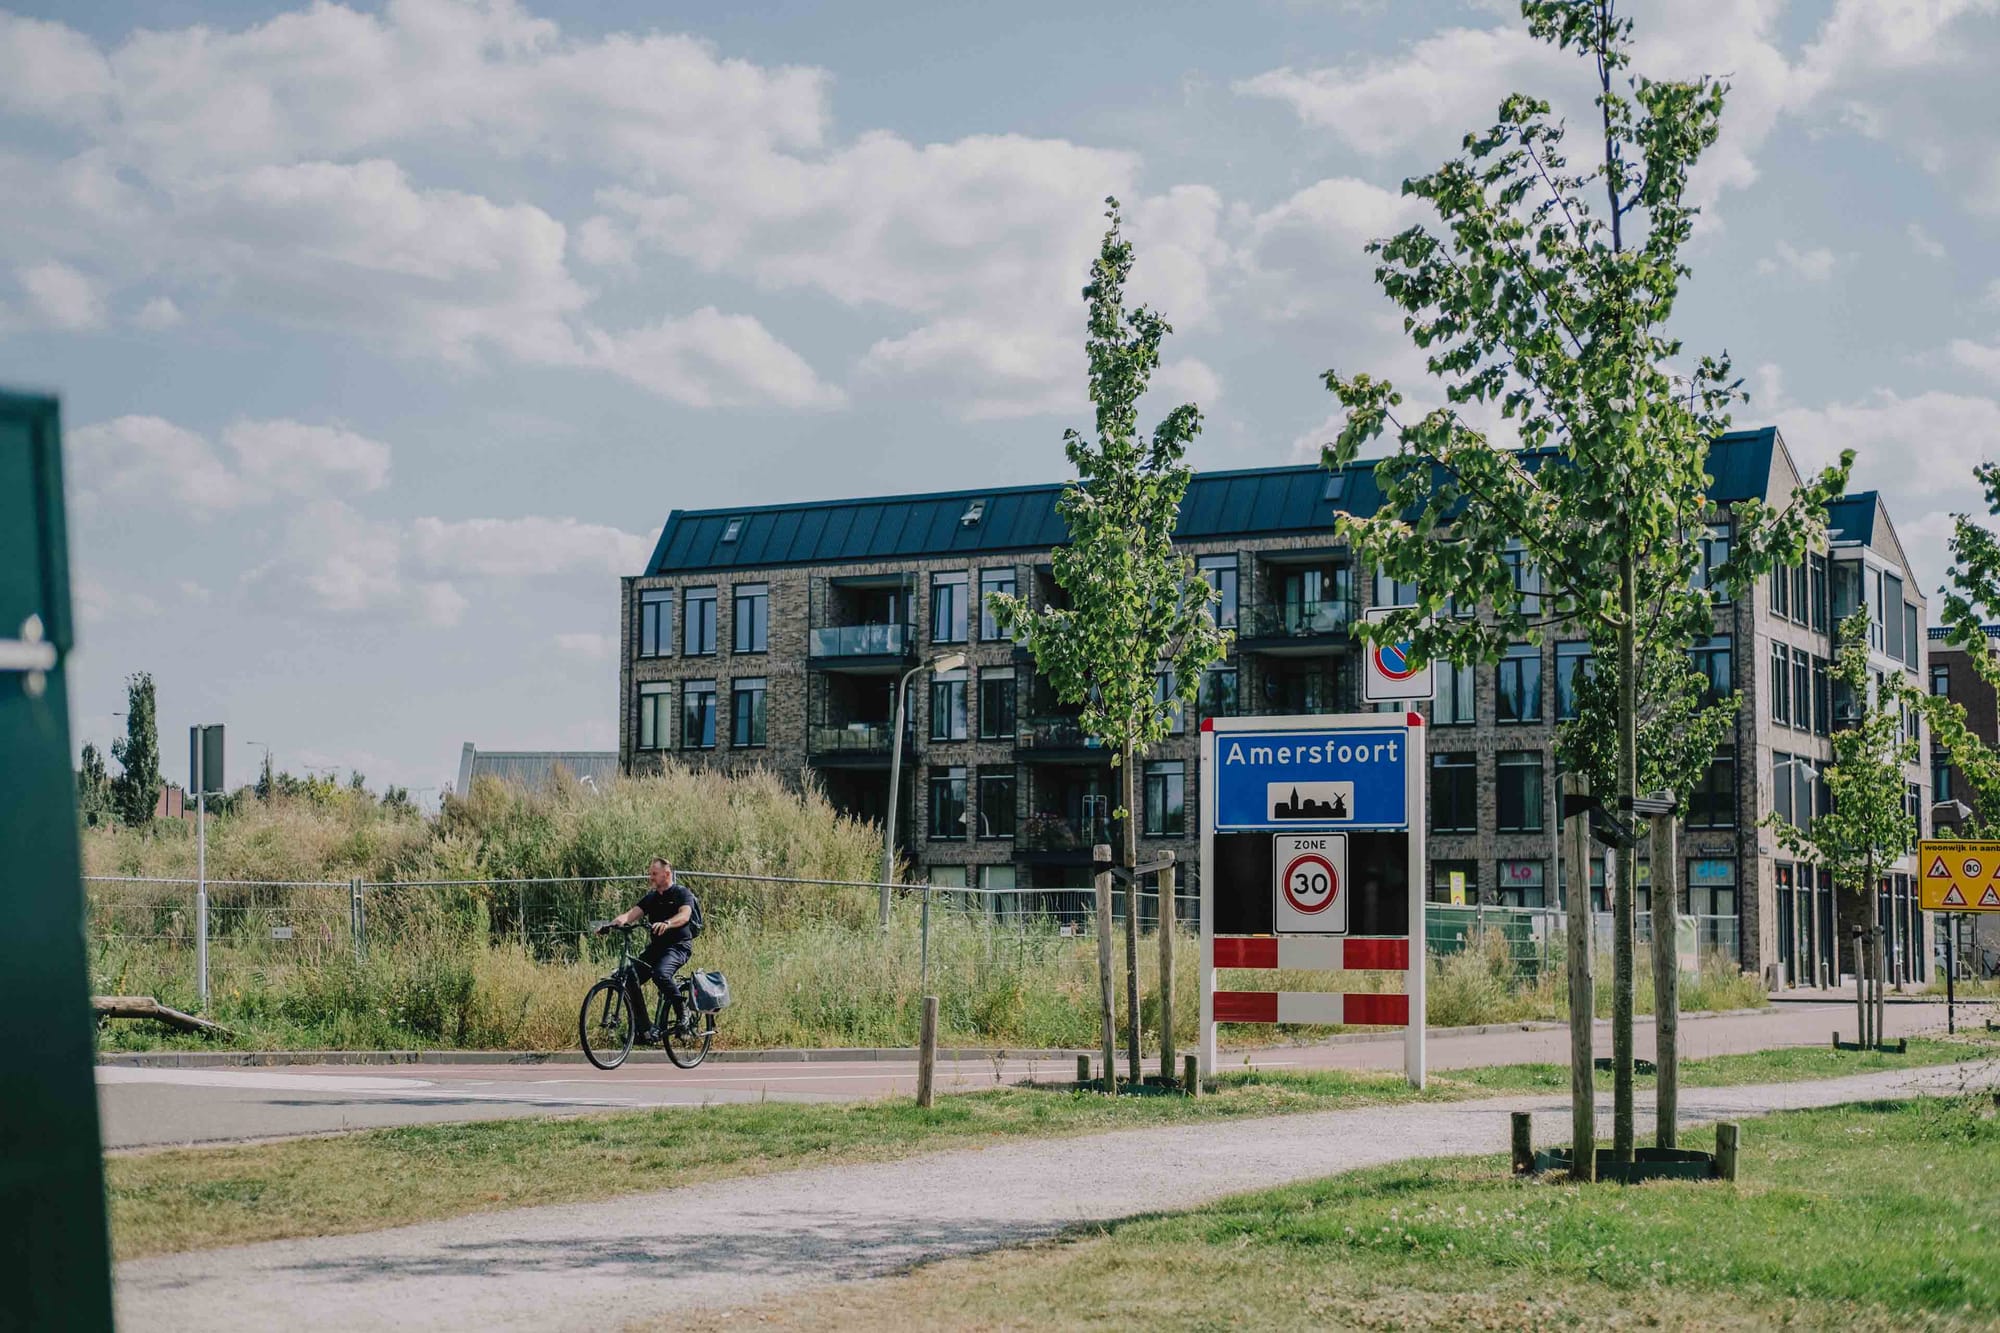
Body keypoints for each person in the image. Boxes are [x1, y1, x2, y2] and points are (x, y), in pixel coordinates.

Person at [599, 858, 697, 1043]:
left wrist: (668, 923)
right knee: (627, 977)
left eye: (654, 874)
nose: (650, 877)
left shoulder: (682, 893)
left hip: (678, 947)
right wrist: (610, 925)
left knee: (660, 974)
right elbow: (630, 915)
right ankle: (644, 1030)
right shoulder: (651, 898)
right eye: (650, 873)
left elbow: (684, 915)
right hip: (657, 948)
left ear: (666, 874)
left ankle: (682, 1010)